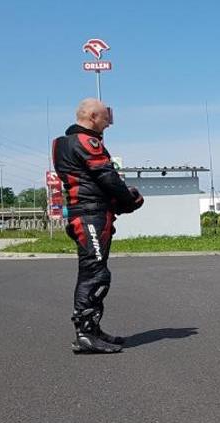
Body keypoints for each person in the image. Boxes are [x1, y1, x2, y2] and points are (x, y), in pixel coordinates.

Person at [52, 98, 144, 354]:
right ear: (92, 117)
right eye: (105, 118)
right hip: (90, 216)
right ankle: (85, 335)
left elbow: (91, 179)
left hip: (87, 214)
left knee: (93, 271)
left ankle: (92, 329)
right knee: (95, 274)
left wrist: (118, 202)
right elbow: (107, 177)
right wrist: (130, 199)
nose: (108, 123)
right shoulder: (87, 142)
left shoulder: (61, 143)